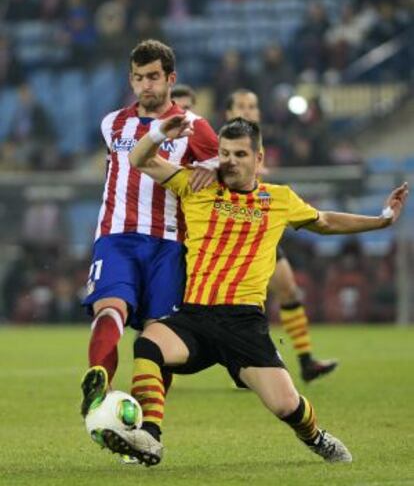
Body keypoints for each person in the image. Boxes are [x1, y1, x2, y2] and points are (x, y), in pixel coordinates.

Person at [84, 115, 407, 466]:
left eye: (240, 154)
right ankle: (150, 437)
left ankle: (316, 437)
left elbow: (325, 221)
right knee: (149, 342)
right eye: (224, 153)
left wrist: (382, 221)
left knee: (286, 405)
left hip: (243, 324)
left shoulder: (279, 199)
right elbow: (139, 160)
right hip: (194, 315)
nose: (231, 162)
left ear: (259, 158)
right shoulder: (196, 184)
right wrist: (160, 132)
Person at [80, 39, 218, 418]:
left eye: (154, 77)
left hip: (169, 243)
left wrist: (214, 166)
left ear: (171, 78)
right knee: (109, 308)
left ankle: (141, 424)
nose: (146, 86)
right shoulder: (112, 123)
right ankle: (98, 385)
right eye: (139, 78)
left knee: (157, 336)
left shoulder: (195, 128)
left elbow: (227, 166)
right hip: (116, 236)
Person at [173, 85, 337, 383]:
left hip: (257, 229)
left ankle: (305, 359)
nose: (248, 112)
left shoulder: (260, 143)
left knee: (286, 288)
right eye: (241, 107)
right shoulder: (213, 145)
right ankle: (236, 359)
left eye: (253, 107)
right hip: (220, 235)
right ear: (227, 114)